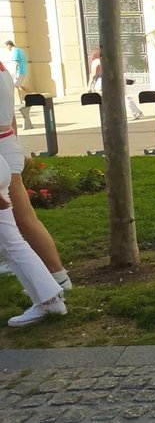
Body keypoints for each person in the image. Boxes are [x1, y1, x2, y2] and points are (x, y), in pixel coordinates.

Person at [0, 60, 67, 327]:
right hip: (6, 147)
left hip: (3, 149)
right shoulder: (3, 68)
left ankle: (51, 296)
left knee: (14, 238)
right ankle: (51, 295)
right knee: (12, 238)